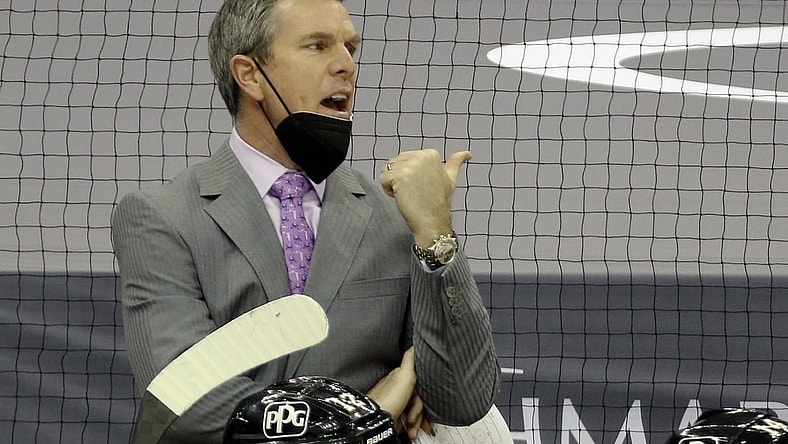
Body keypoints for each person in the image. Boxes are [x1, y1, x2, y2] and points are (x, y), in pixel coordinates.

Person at [111, 0, 500, 442]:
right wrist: (361, 420)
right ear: (250, 75)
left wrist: (435, 231)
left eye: (351, 48)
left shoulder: (395, 213)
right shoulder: (161, 216)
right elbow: (185, 397)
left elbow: (464, 398)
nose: (346, 65)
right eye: (318, 46)